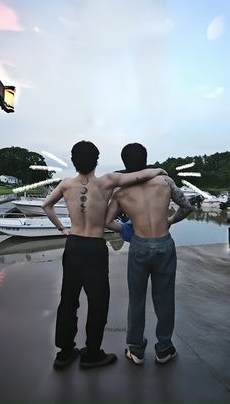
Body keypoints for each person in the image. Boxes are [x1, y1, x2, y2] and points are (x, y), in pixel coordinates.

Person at [42, 140, 167, 370]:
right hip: (94, 248)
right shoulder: (107, 181)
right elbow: (137, 176)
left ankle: (65, 353)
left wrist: (62, 228)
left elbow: (46, 205)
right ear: (97, 160)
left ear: (73, 161)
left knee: (68, 300)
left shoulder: (66, 184)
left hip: (74, 244)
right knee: (98, 301)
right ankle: (92, 354)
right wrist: (158, 170)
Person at [105, 143, 193, 365]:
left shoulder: (120, 191)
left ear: (125, 163)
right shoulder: (165, 181)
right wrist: (169, 221)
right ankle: (164, 348)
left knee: (136, 300)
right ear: (146, 159)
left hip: (139, 245)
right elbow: (186, 206)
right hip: (164, 244)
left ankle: (135, 349)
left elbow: (106, 221)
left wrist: (128, 229)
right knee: (165, 299)